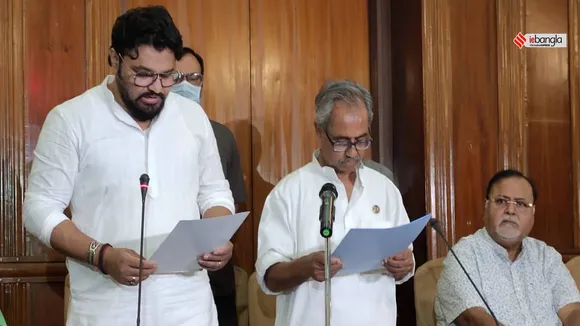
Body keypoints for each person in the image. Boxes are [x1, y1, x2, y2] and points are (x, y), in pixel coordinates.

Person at [23, 6, 235, 326]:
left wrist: (217, 237)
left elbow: (215, 193)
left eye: (167, 76)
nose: (156, 87)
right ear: (115, 59)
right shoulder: (71, 119)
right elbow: (38, 208)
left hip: (189, 307)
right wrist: (102, 255)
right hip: (104, 306)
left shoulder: (192, 118)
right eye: (143, 73)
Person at [255, 80, 415, 326]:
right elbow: (269, 278)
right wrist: (305, 268)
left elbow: (406, 259)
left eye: (362, 141)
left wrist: (405, 264)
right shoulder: (288, 192)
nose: (353, 152)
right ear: (319, 130)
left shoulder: (384, 189)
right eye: (342, 142)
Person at [435, 169, 580, 326]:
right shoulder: (463, 255)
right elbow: (473, 319)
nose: (510, 210)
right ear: (486, 207)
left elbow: (571, 310)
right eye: (501, 201)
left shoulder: (546, 256)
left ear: (533, 212)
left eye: (520, 204)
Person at [172, 47, 247, 326]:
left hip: (214, 273)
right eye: (177, 76)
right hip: (164, 274)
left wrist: (219, 242)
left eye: (193, 77)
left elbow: (232, 201)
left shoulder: (221, 136)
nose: (186, 85)